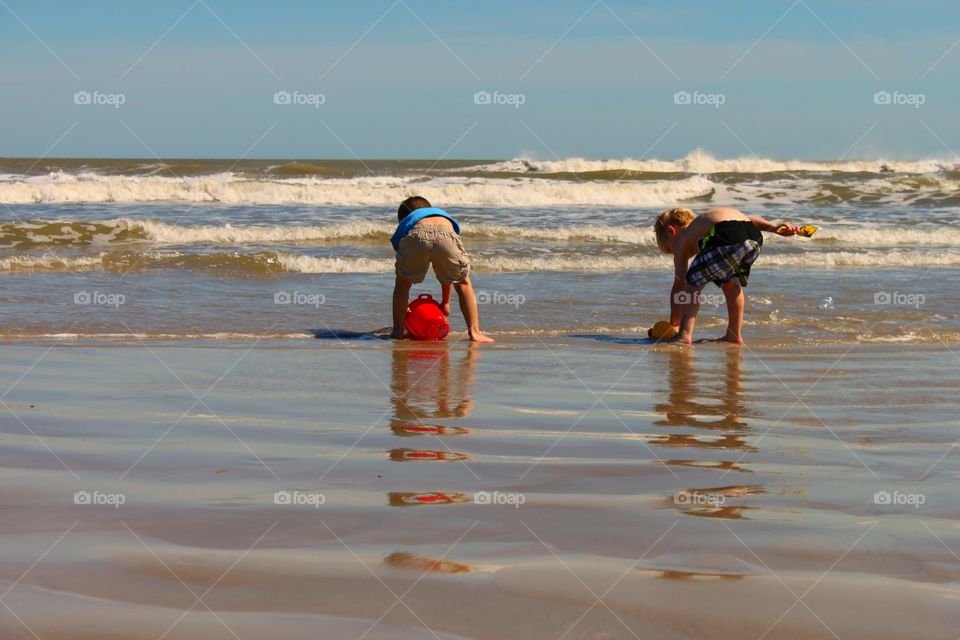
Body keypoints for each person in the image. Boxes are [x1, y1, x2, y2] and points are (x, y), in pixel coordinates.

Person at [654, 206, 798, 344]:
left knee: (691, 283)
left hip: (725, 235)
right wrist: (773, 228)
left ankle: (684, 336)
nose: (675, 253)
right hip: (753, 238)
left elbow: (679, 286)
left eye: (669, 249)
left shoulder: (682, 238)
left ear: (671, 231)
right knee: (731, 285)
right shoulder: (707, 219)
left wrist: (674, 323)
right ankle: (733, 335)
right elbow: (749, 220)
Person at [391, 196, 494, 343]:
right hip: (447, 233)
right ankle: (475, 332)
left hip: (416, 235)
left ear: (404, 218)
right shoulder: (440, 214)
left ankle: (398, 331)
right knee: (463, 282)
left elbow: (399, 247)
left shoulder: (408, 221)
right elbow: (445, 273)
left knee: (402, 284)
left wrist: (405, 305)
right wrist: (445, 301)